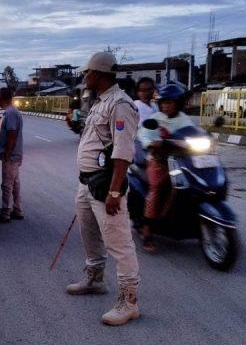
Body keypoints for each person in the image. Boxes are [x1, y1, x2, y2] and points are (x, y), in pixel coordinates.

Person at [66, 51, 141, 326]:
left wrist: (114, 191)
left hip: (105, 185)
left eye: (86, 72)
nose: (84, 76)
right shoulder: (98, 102)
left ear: (98, 73)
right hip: (88, 183)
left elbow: (122, 151)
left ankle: (129, 302)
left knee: (119, 244)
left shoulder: (120, 104)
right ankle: (95, 279)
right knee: (89, 235)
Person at [137, 84, 194, 252]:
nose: (166, 106)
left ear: (179, 103)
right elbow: (144, 135)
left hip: (183, 161)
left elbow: (195, 133)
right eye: (163, 103)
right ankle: (147, 231)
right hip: (159, 160)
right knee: (157, 188)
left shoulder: (184, 118)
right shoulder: (156, 118)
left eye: (170, 102)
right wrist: (152, 142)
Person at [0, 88, 24, 223]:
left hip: (11, 156)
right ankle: (17, 210)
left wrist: (7, 153)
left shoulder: (10, 113)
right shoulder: (13, 111)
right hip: (16, 154)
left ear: (2, 98)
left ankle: (5, 213)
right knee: (15, 183)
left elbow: (12, 134)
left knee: (7, 185)